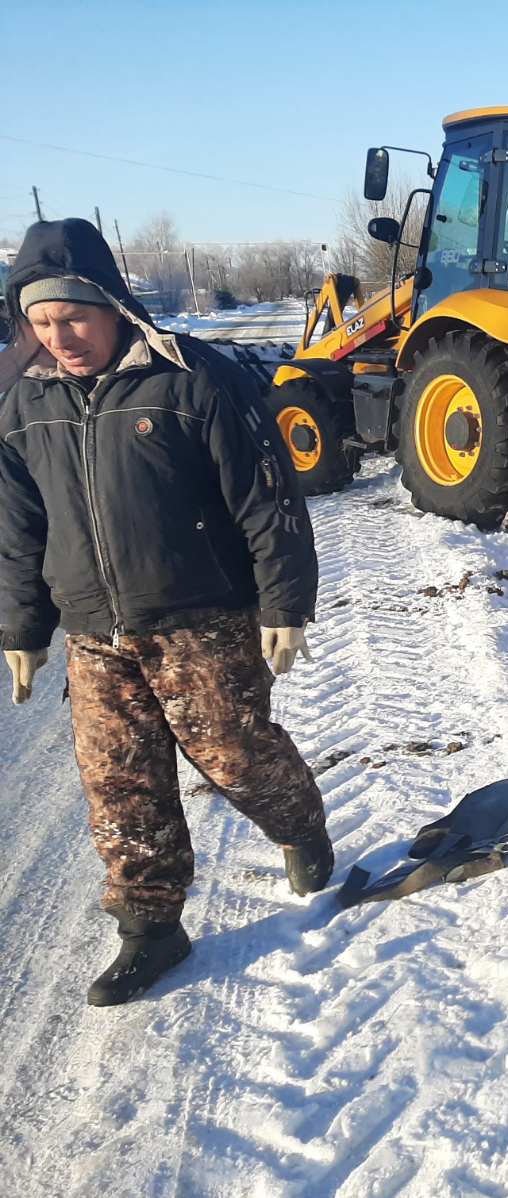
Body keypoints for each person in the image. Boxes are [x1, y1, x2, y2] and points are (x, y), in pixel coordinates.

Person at [0, 218, 334, 1006]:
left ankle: (299, 827)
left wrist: (284, 601)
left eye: (74, 316)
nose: (60, 337)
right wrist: (22, 629)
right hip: (94, 630)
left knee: (235, 755)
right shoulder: (24, 407)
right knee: (119, 782)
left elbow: (266, 497)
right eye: (41, 324)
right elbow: (18, 531)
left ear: (112, 304)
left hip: (201, 616)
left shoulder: (193, 379)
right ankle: (150, 925)